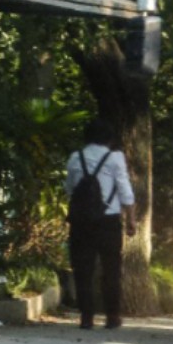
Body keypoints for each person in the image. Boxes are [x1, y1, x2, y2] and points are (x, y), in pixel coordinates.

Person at [64, 118, 137, 329]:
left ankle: (86, 317)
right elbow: (125, 190)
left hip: (81, 222)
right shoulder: (115, 158)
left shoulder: (75, 158)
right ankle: (112, 316)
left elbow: (70, 189)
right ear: (109, 139)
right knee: (111, 270)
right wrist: (131, 219)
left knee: (82, 269)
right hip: (108, 221)